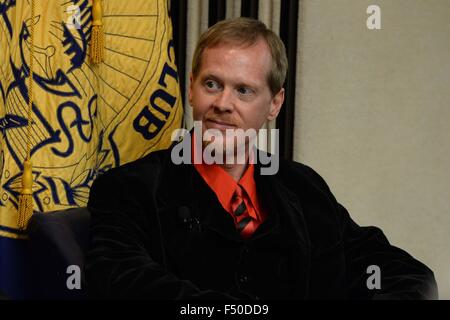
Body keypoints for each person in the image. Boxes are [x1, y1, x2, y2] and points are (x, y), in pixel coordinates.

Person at [86, 17, 438, 299]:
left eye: (243, 90)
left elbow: (405, 274)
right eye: (211, 84)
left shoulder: (304, 187)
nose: (223, 103)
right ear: (191, 88)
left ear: (274, 104)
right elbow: (123, 278)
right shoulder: (129, 188)